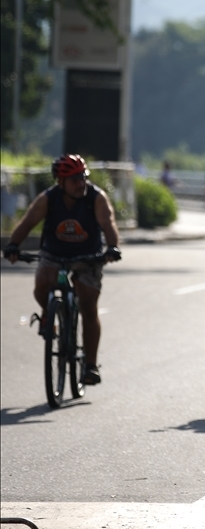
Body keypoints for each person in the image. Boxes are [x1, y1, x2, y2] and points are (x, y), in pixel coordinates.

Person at [3, 154, 122, 385]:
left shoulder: (96, 198)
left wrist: (113, 248)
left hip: (88, 256)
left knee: (88, 305)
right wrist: (13, 246)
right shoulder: (47, 199)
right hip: (54, 253)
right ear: (60, 181)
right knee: (41, 285)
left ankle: (90, 365)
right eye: (74, 179)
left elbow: (108, 224)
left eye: (82, 178)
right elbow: (27, 223)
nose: (80, 184)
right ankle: (49, 314)